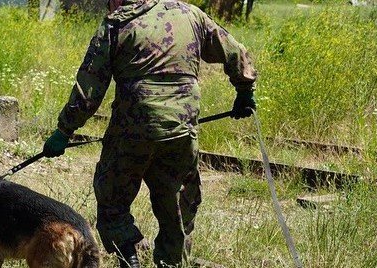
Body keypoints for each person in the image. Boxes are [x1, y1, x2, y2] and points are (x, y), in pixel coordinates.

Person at [41, 0, 257, 267]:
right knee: (177, 207)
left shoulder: (116, 23)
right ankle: (171, 263)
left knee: (112, 199)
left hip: (131, 132)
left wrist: (64, 130)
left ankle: (128, 258)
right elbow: (235, 51)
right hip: (181, 131)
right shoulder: (190, 14)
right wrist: (245, 92)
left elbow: (89, 87)